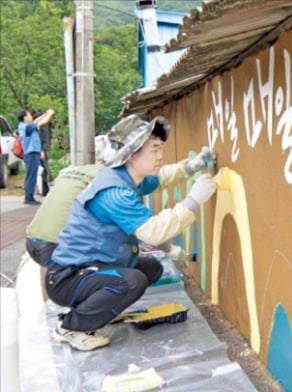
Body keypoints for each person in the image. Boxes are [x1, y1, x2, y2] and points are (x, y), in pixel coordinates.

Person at [45, 114, 218, 351]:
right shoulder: (114, 192)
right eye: (154, 150)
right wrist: (194, 200)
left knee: (152, 268)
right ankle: (71, 327)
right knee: (133, 282)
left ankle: (99, 310)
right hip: (68, 278)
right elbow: (154, 232)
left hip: (89, 267)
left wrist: (194, 164)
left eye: (160, 148)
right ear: (132, 154)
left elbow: (162, 177)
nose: (160, 156)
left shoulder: (126, 176)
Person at [25, 133, 215, 268]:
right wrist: (169, 247)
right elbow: (144, 230)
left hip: (33, 241)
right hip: (56, 248)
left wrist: (192, 165)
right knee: (121, 263)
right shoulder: (111, 185)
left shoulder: (93, 172)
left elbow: (159, 178)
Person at [17, 108, 55, 204]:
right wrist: (49, 114)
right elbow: (41, 123)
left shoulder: (24, 125)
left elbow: (36, 120)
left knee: (31, 174)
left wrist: (44, 113)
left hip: (30, 153)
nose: (31, 116)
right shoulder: (27, 127)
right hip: (31, 153)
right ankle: (29, 198)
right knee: (31, 175)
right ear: (25, 117)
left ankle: (29, 196)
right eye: (29, 114)